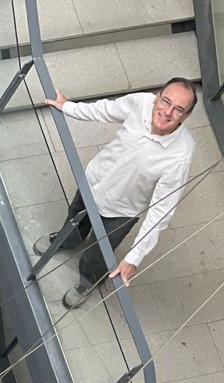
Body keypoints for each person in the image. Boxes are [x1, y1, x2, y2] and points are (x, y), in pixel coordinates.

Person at [35, 77, 197, 308]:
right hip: (93, 183)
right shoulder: (141, 102)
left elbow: (162, 210)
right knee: (75, 217)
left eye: (178, 109)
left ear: (186, 116)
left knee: (98, 253)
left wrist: (134, 258)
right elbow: (106, 109)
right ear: (157, 96)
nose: (167, 112)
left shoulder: (181, 154)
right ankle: (68, 239)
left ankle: (88, 281)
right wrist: (67, 107)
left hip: (120, 210)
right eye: (165, 101)